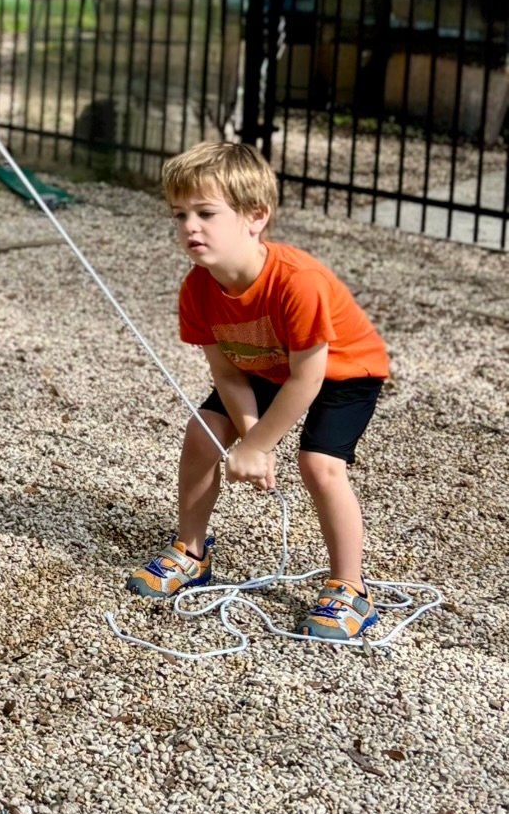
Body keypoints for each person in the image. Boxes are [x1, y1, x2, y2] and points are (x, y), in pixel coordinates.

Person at [127, 140, 390, 643]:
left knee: (319, 464)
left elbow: (307, 379)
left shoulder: (298, 281)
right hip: (264, 369)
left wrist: (259, 445)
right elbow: (227, 374)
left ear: (256, 216)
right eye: (179, 215)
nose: (189, 227)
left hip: (342, 372)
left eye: (206, 212)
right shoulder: (198, 288)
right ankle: (191, 551)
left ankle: (351, 589)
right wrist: (249, 435)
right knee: (203, 433)